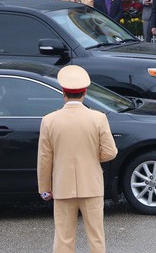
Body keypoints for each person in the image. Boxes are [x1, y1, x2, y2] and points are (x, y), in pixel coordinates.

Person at [37, 65, 118, 253]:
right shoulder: (98, 118)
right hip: (91, 185)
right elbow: (110, 152)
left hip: (62, 187)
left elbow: (44, 158)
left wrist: (44, 187)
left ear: (63, 92)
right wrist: (92, 157)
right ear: (85, 93)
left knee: (63, 237)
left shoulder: (49, 120)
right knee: (96, 237)